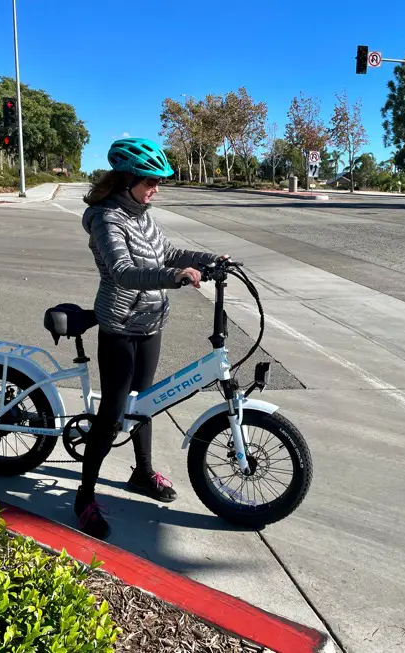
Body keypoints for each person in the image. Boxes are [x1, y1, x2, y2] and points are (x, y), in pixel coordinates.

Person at [76, 137, 226, 539]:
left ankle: (141, 474)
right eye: (150, 181)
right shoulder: (108, 219)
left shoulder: (142, 213)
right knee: (111, 415)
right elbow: (123, 271)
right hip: (120, 326)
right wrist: (173, 278)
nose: (156, 188)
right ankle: (85, 496)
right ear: (127, 181)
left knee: (144, 405)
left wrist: (207, 259)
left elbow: (168, 252)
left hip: (150, 324)